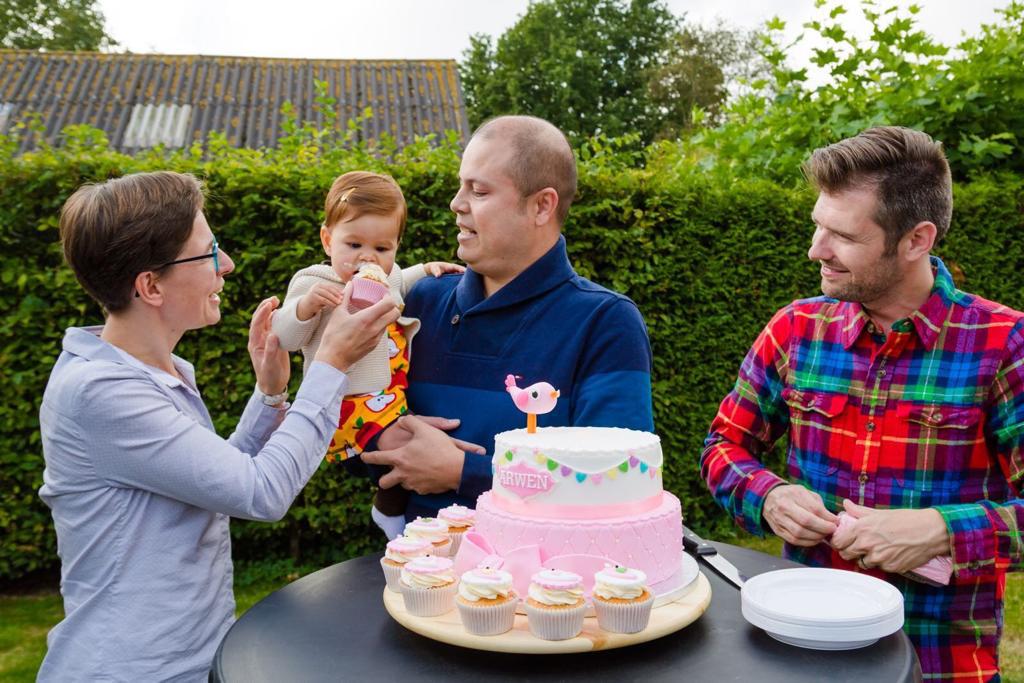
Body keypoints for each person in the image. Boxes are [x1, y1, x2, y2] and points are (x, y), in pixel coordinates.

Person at [37, 171, 399, 681]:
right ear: (150, 285)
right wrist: (332, 364)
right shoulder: (101, 391)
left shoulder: (163, 372)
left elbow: (217, 482)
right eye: (209, 253)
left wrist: (271, 393)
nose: (226, 264)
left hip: (192, 660)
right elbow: (260, 492)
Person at [701, 126, 1023, 680]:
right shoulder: (795, 329)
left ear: (916, 240)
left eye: (843, 236)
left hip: (941, 662)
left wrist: (941, 529)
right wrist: (769, 495)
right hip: (798, 653)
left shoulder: (1004, 345)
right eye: (817, 227)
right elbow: (723, 448)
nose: (815, 251)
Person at [360, 115, 655, 520]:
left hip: (548, 579)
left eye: (479, 191)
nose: (456, 204)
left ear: (541, 206)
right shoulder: (420, 302)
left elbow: (620, 481)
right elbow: (353, 424)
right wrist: (381, 436)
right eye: (461, 186)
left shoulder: (606, 322)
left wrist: (465, 472)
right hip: (416, 576)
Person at [272, 170, 464, 539]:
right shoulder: (316, 281)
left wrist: (426, 269)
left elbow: (399, 280)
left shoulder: (383, 276)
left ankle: (392, 510)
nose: (367, 258)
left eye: (382, 248)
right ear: (328, 240)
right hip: (347, 403)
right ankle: (397, 523)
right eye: (354, 245)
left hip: (388, 397)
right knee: (411, 450)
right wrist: (305, 309)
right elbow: (285, 336)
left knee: (416, 443)